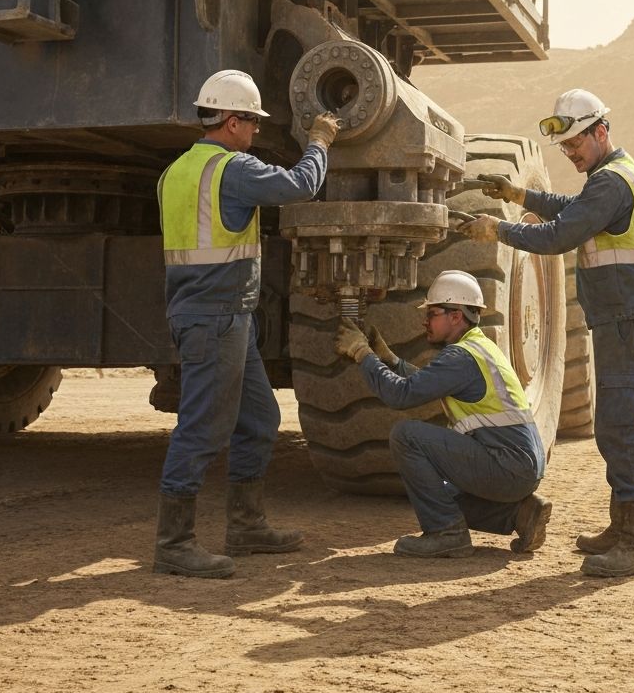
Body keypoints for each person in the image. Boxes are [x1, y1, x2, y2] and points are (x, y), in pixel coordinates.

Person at [458, 89, 634, 578]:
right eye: (565, 147)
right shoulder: (609, 179)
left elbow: (560, 234)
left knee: (621, 427)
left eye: (576, 143)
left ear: (600, 131)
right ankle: (623, 526)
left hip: (628, 321)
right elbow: (572, 209)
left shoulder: (612, 183)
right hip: (624, 318)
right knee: (614, 426)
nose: (571, 153)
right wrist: (519, 196)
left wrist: (499, 230)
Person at [154, 69, 340, 578]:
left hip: (218, 314)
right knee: (201, 429)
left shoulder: (175, 173)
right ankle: (174, 542)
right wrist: (319, 140)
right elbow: (303, 184)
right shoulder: (231, 170)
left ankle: (246, 525)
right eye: (253, 122)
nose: (257, 131)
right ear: (232, 121)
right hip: (214, 318)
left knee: (259, 421)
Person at [333, 270, 551, 559]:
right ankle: (520, 514)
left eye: (433, 312)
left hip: (507, 465)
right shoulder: (477, 348)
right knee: (438, 495)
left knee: (406, 436)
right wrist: (390, 361)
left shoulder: (459, 357)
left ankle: (446, 533)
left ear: (456, 316)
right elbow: (425, 383)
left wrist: (363, 354)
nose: (425, 320)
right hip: (519, 465)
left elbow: (401, 395)